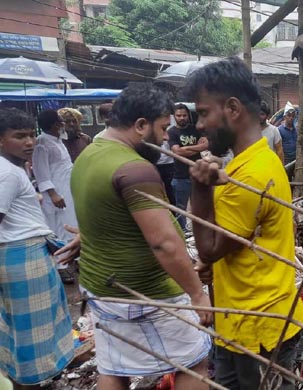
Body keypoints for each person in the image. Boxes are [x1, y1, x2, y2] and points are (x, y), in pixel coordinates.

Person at [70, 85, 212, 390]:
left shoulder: (88, 155)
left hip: (101, 286)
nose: (164, 138)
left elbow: (104, 212)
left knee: (114, 366)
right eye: (162, 128)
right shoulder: (136, 169)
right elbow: (164, 243)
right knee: (194, 361)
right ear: (140, 125)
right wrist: (197, 294)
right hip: (147, 292)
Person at [184, 57, 303, 389]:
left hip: (258, 326)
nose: (198, 125)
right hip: (240, 321)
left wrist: (199, 186)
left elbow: (210, 248)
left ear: (233, 109)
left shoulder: (251, 174)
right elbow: (227, 247)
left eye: (204, 113)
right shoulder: (253, 162)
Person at [0, 107, 75, 389]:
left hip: (23, 249)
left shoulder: (13, 168)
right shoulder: (7, 172)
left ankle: (26, 379)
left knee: (22, 325)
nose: (29, 142)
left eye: (31, 135)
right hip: (21, 254)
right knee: (32, 326)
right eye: (19, 136)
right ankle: (31, 381)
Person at [34, 109, 79, 284]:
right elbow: (41, 172)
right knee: (58, 228)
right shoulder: (41, 143)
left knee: (71, 224)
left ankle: (73, 258)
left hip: (67, 190)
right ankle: (61, 266)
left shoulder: (58, 140)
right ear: (54, 124)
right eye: (61, 121)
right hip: (56, 194)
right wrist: (53, 194)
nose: (64, 124)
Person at [168, 103, 208, 231]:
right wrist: (197, 147)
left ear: (188, 116)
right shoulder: (171, 132)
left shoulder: (196, 129)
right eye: (179, 115)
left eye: (184, 115)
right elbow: (177, 152)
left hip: (198, 174)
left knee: (200, 206)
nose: (182, 118)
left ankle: (200, 231)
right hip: (180, 176)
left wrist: (186, 148)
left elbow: (205, 145)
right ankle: (183, 232)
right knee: (181, 208)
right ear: (174, 116)